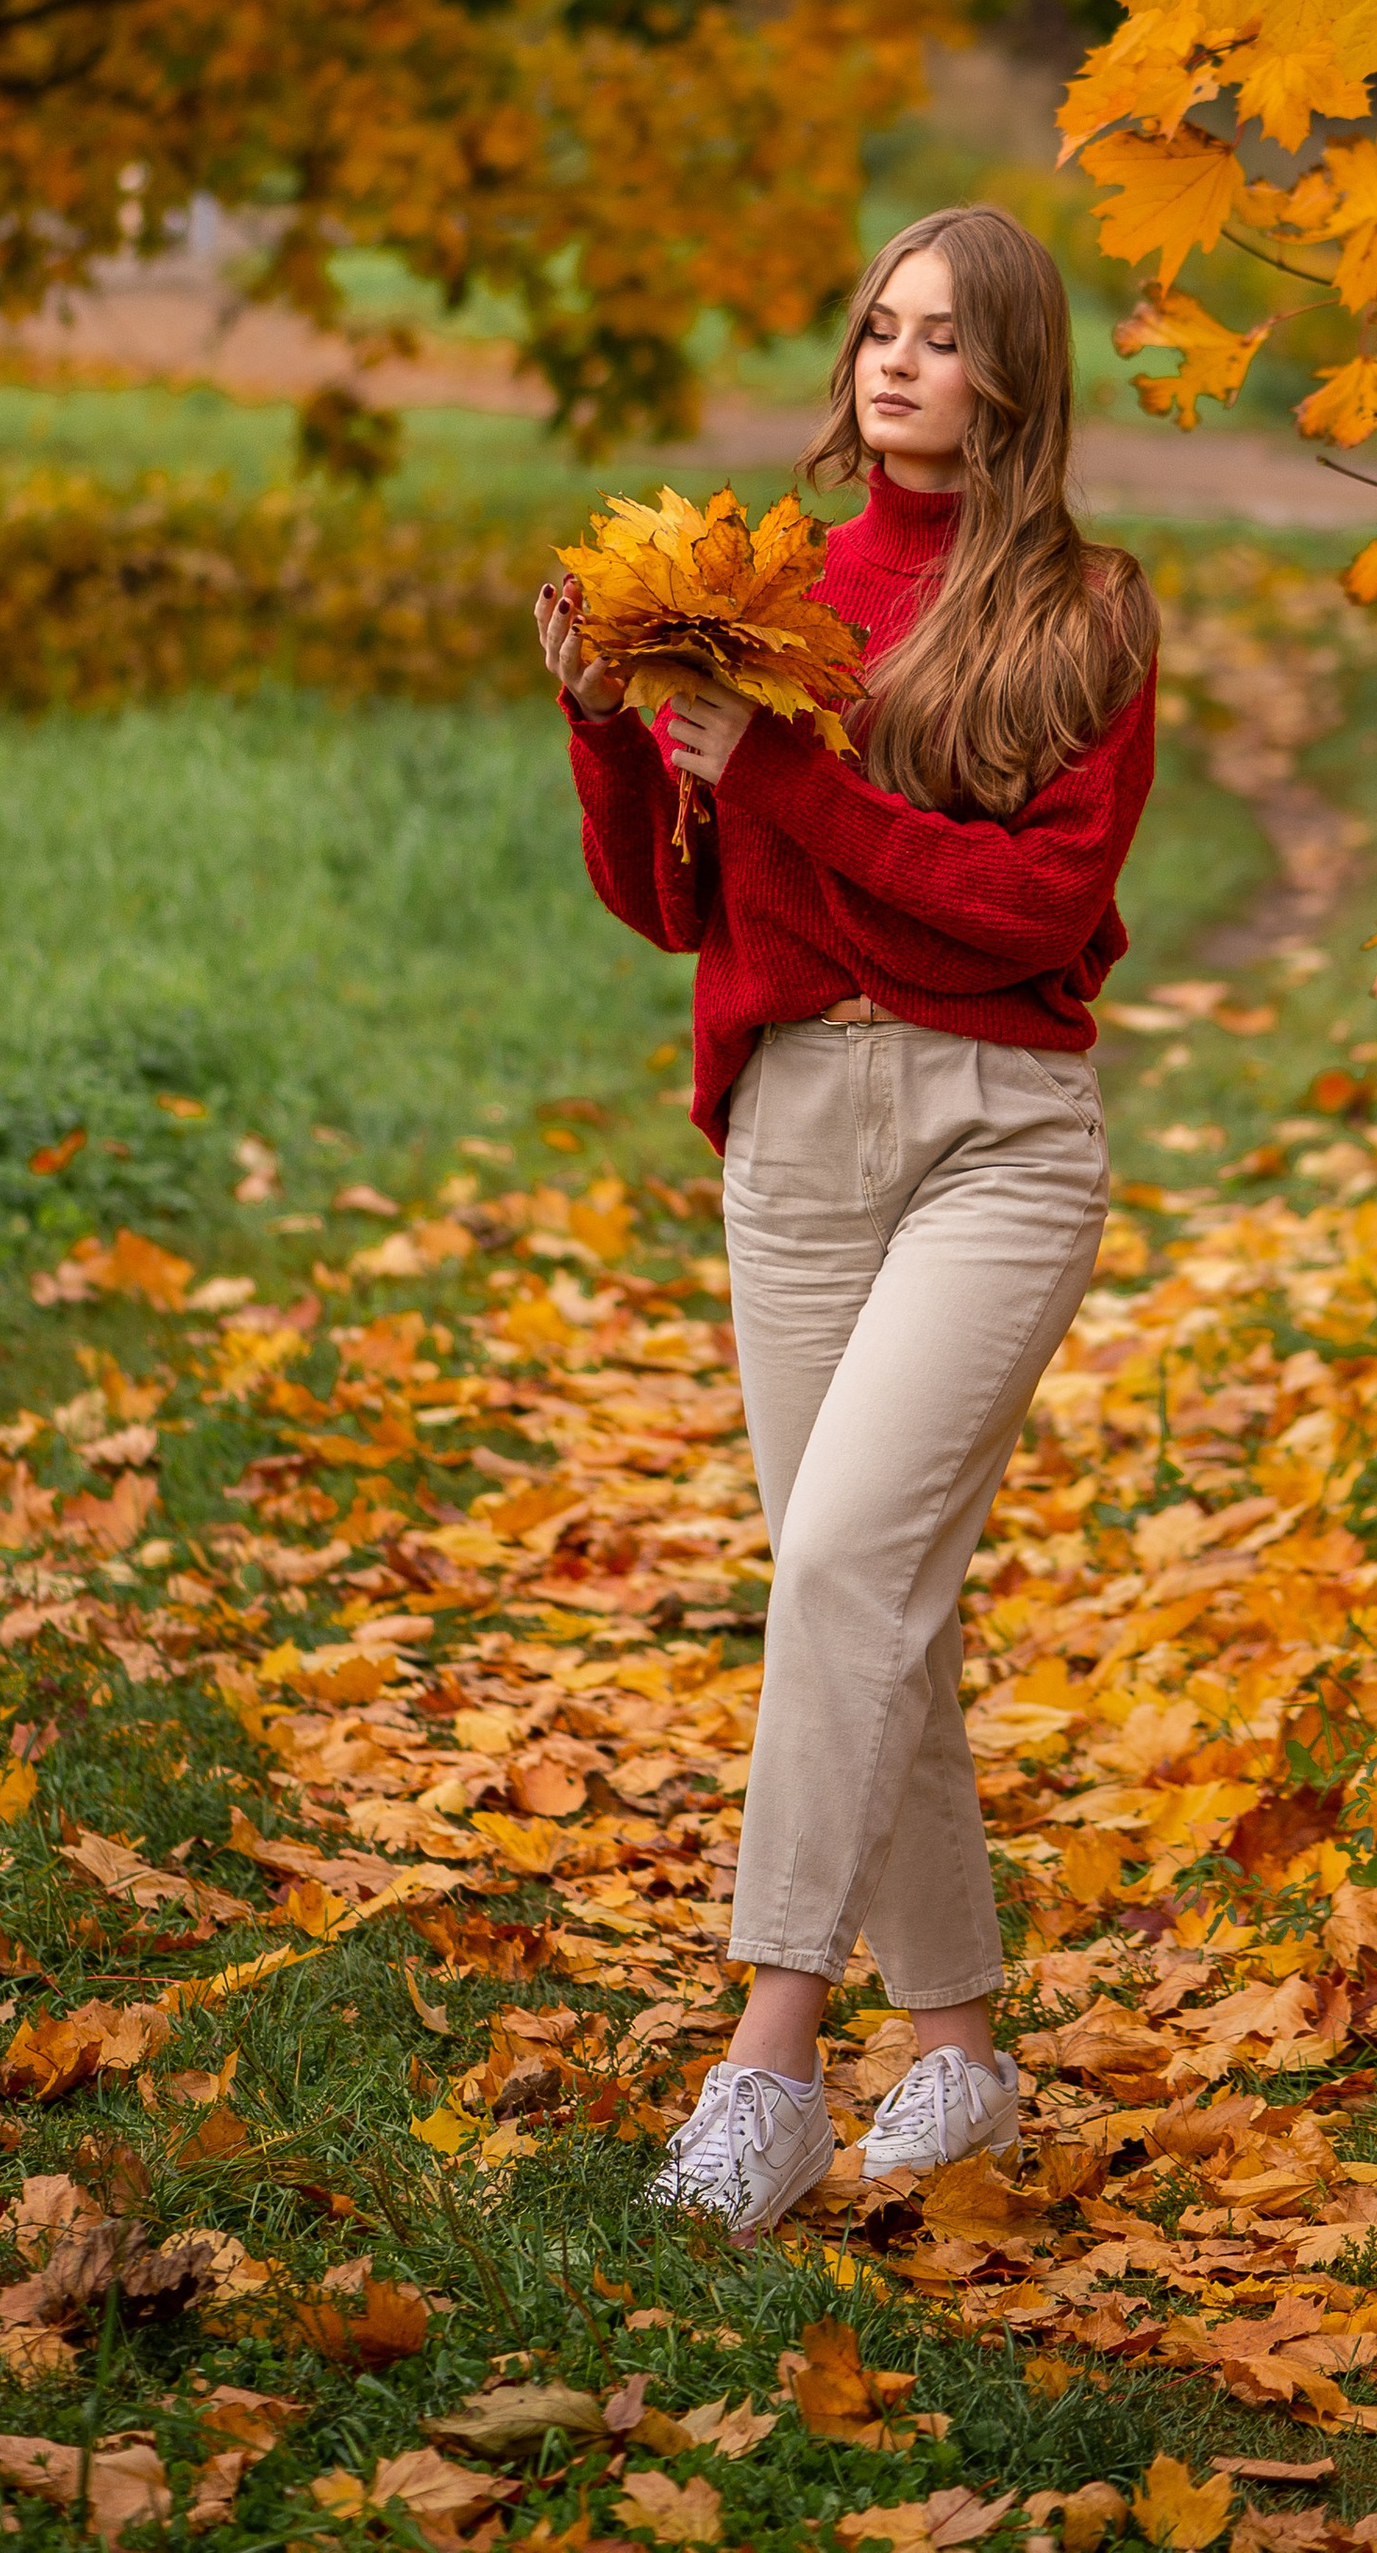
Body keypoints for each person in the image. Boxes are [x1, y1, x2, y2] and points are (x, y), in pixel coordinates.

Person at [532, 203, 1158, 2237]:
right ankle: (957, 2044)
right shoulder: (767, 588)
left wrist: (793, 777)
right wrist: (614, 729)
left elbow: (1030, 912)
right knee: (868, 1602)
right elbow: (673, 901)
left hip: (995, 1129)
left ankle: (767, 2065)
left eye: (944, 337)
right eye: (878, 329)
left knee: (833, 1567)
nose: (895, 365)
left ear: (1012, 376)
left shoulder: (1082, 617)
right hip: (794, 1127)